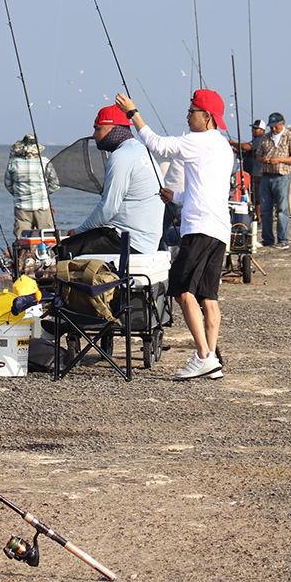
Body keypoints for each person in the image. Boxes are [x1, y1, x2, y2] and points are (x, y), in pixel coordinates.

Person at [114, 89, 233, 381]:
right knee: (208, 296)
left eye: (192, 111)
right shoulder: (223, 145)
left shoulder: (198, 140)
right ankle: (212, 358)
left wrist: (132, 112)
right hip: (219, 229)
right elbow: (205, 189)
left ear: (207, 117)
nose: (187, 115)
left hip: (199, 228)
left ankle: (204, 356)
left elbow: (157, 145)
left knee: (181, 290)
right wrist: (176, 197)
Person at [58, 105, 164, 257]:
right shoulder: (141, 150)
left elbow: (108, 208)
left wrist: (78, 231)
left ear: (112, 127)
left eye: (97, 128)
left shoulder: (121, 156)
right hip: (147, 242)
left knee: (61, 251)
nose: (94, 135)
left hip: (128, 241)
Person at [252, 112, 291, 248]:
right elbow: (258, 155)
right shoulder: (265, 138)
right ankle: (267, 239)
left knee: (281, 208)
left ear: (281, 124)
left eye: (275, 127)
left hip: (282, 176)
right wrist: (265, 159)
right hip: (266, 175)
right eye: (271, 127)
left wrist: (280, 160)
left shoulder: (290, 137)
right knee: (265, 209)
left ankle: (283, 239)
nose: (273, 129)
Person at [4, 134, 60, 238]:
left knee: (22, 240)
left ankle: (24, 254)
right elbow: (55, 184)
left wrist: (20, 194)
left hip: (22, 208)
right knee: (47, 239)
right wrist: (44, 194)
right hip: (42, 207)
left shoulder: (13, 162)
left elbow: (8, 184)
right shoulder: (45, 162)